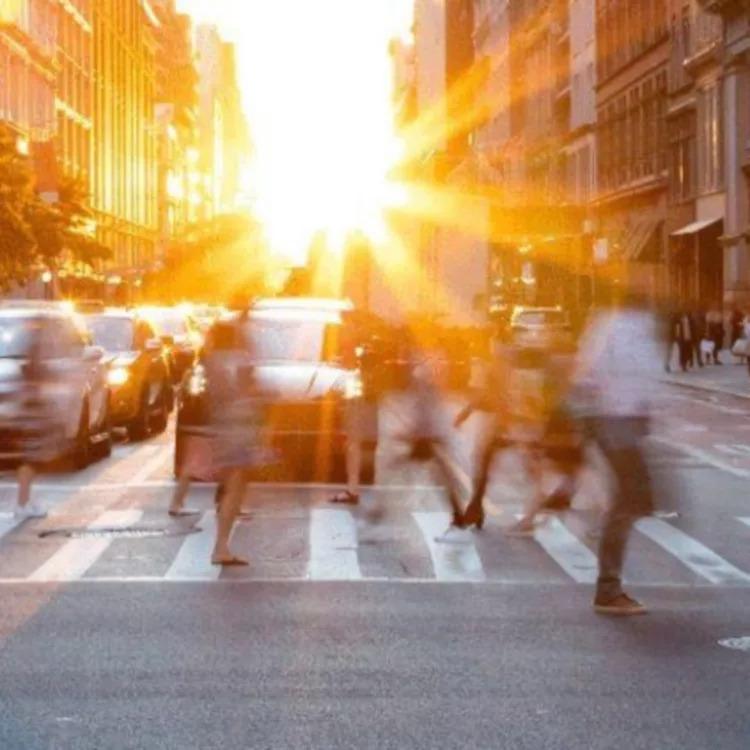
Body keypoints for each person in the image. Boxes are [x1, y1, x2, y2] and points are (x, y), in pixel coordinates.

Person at [573, 276, 659, 616]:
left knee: (635, 498)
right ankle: (608, 589)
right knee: (632, 499)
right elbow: (641, 376)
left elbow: (587, 375)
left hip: (613, 422)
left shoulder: (605, 326)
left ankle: (608, 581)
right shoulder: (628, 329)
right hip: (617, 423)